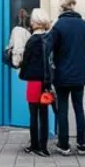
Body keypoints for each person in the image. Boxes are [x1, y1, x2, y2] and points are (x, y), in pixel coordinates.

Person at [46, 0, 85, 156]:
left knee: (62, 110)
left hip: (61, 74)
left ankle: (64, 144)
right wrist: (79, 59)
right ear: (74, 6)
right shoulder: (84, 25)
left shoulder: (58, 26)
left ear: (61, 7)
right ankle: (81, 144)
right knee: (79, 109)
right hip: (79, 74)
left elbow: (48, 48)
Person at [18, 8, 53, 157]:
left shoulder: (32, 40)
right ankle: (44, 146)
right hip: (46, 82)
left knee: (33, 114)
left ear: (34, 22)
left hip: (33, 82)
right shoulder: (50, 38)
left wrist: (21, 72)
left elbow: (26, 61)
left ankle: (34, 145)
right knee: (44, 114)